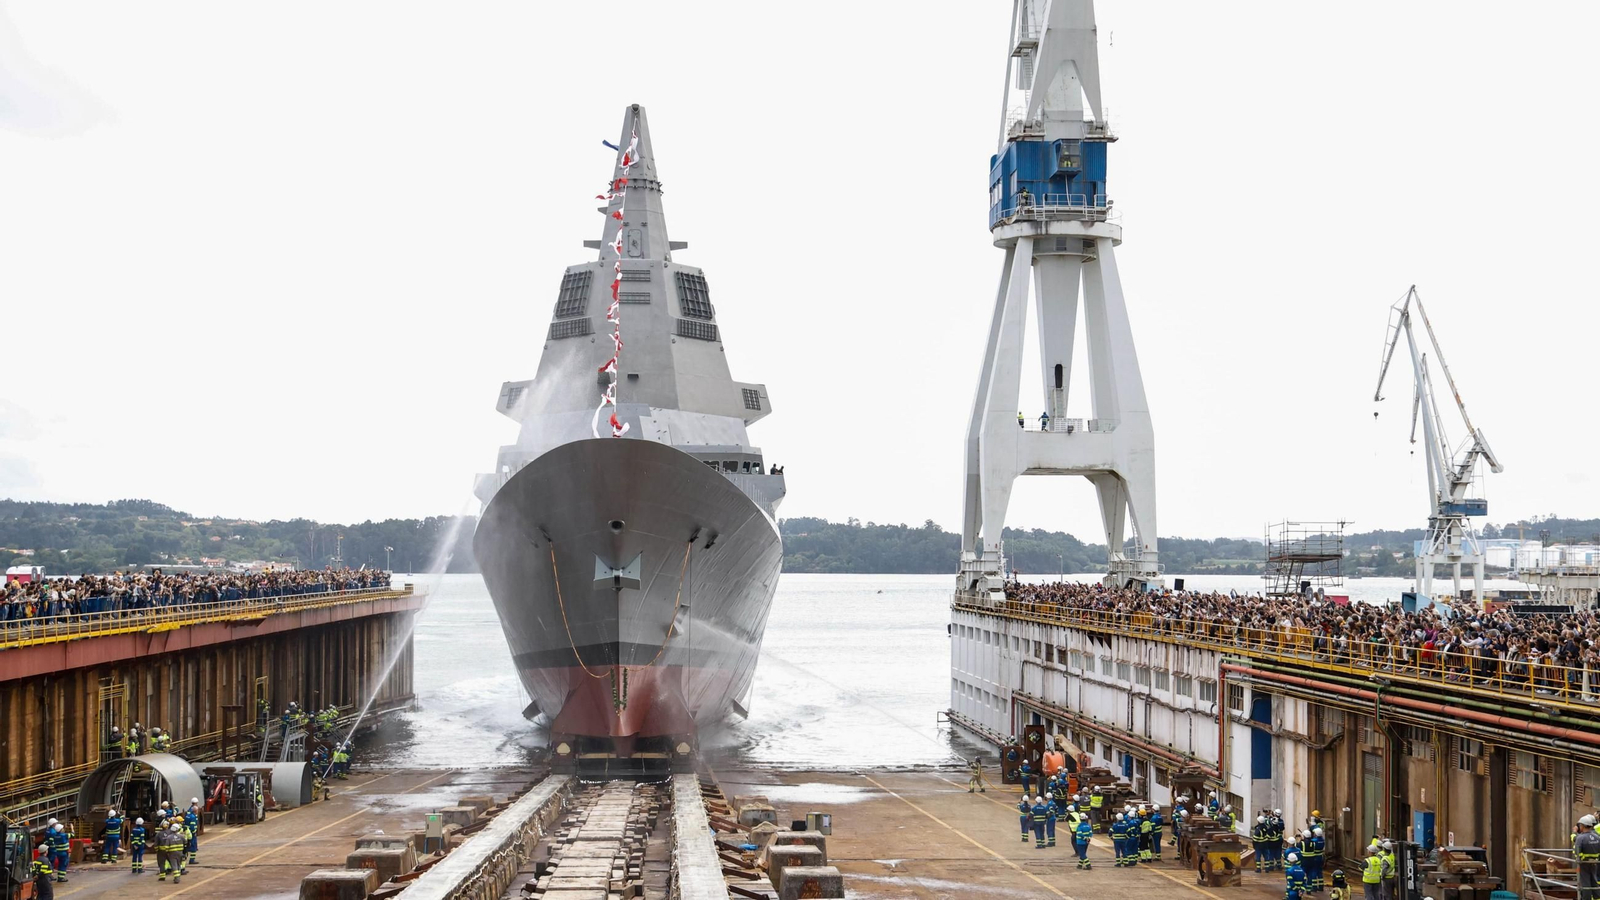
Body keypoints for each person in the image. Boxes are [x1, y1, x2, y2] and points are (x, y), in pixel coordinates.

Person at [1575, 814, 1599, 900]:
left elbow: (1577, 852)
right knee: (1594, 880)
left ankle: (1586, 898)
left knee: (1585, 882)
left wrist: (1581, 858)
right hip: (1595, 862)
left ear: (1582, 826)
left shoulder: (1580, 838)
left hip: (1584, 863)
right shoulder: (1597, 837)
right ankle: (1597, 897)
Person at [1306, 826, 1326, 891]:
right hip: (1320, 857)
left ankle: (1314, 887)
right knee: (1319, 871)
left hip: (1315, 857)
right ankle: (1321, 886)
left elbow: (1310, 843)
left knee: (1314, 871)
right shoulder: (1322, 840)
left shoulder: (1314, 841)